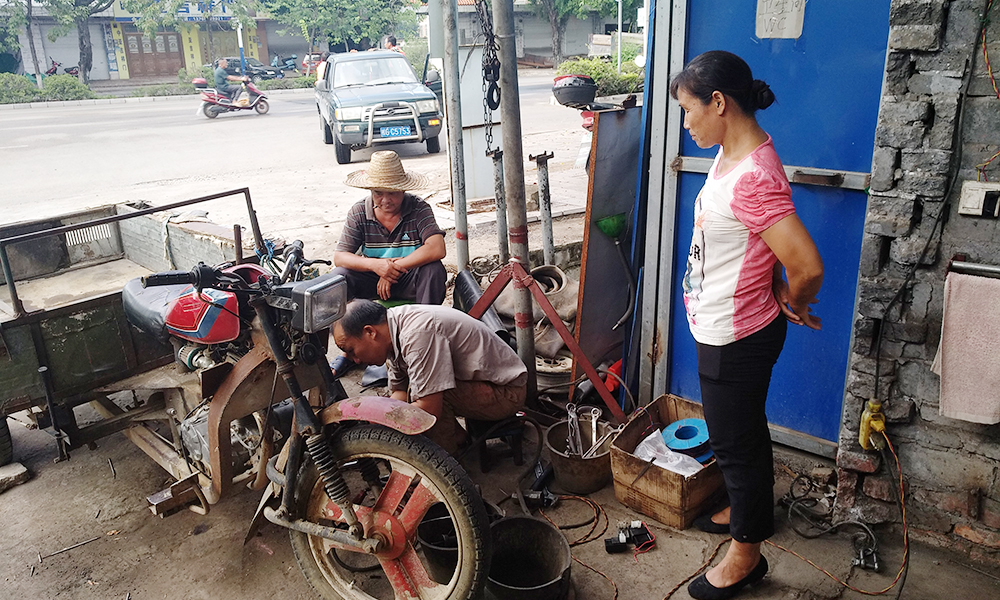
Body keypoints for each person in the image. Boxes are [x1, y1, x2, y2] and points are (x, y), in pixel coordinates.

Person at [669, 50, 823, 600]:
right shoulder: (733, 150)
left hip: (736, 336)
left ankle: (746, 555)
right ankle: (745, 505)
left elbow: (806, 265)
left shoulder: (753, 176)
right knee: (742, 433)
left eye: (689, 111)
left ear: (719, 103)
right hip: (725, 327)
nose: (686, 124)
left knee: (736, 442)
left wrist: (790, 295)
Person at [332, 300, 527, 455]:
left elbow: (429, 409)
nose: (355, 360)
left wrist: (381, 424)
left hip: (507, 392)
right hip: (479, 382)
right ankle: (458, 437)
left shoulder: (417, 334)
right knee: (414, 395)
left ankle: (446, 468)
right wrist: (381, 420)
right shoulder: (390, 331)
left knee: (430, 399)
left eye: (351, 350)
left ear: (370, 332)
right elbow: (399, 392)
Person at [329, 150, 447, 375]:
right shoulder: (359, 212)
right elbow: (340, 256)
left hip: (411, 280)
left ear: (403, 188)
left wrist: (393, 268)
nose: (385, 200)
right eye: (378, 193)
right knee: (338, 277)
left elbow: (436, 248)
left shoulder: (419, 208)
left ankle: (424, 340)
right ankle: (348, 352)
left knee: (433, 270)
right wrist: (376, 266)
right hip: (373, 282)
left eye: (392, 193)